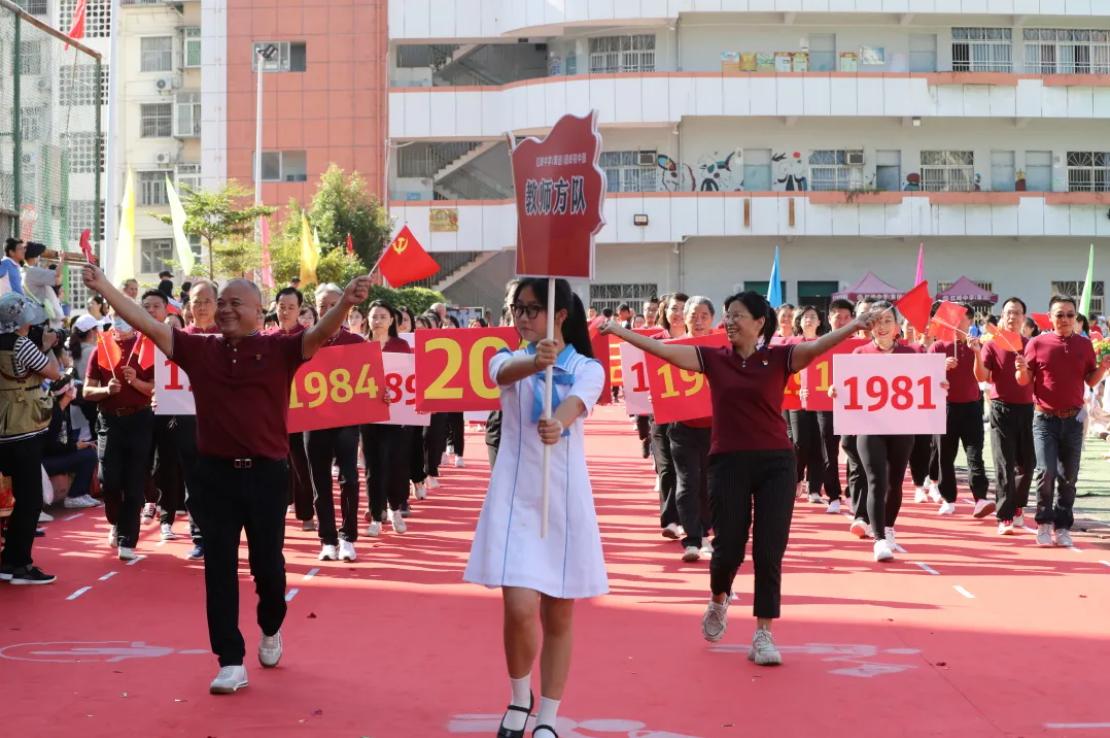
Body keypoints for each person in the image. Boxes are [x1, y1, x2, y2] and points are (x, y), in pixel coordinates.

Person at [82, 262, 372, 694]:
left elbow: (319, 335)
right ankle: (230, 660)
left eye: (236, 302)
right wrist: (104, 285)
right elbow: (145, 321)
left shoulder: (281, 349)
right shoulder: (199, 349)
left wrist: (346, 301)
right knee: (218, 569)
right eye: (222, 303)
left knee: (268, 570)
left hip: (267, 476)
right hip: (213, 475)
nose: (226, 310)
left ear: (260, 312)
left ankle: (271, 627)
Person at [603, 291, 877, 665]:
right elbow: (661, 351)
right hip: (728, 462)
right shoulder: (715, 359)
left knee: (769, 550)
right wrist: (620, 331)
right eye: (728, 316)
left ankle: (764, 633)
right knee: (729, 546)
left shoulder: (780, 358)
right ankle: (719, 598)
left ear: (760, 323)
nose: (730, 322)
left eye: (738, 316)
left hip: (777, 465)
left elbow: (818, 346)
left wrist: (855, 327)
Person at [465, 278, 605, 738]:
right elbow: (500, 375)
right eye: (516, 309)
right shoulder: (507, 358)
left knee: (559, 614)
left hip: (563, 498)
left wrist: (557, 425)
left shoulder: (588, 367)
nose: (522, 317)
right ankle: (519, 694)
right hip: (514, 496)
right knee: (520, 607)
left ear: (560, 315)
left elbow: (575, 404)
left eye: (532, 309)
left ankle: (547, 715)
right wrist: (533, 360)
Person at [1017, 295, 1110, 547]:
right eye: (1060, 314)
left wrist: (1103, 368)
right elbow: (1024, 381)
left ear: (1075, 319)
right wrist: (1021, 369)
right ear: (1050, 317)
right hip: (1044, 419)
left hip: (1074, 420)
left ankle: (1062, 525)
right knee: (1045, 471)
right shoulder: (1037, 343)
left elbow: (1090, 380)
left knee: (1069, 476)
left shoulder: (1084, 345)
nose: (1065, 319)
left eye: (1070, 315)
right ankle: (1044, 522)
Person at [834, 303, 920, 562]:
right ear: (869, 325)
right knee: (876, 480)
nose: (882, 327)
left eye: (887, 321)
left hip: (902, 426)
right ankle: (879, 538)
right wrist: (836, 392)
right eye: (877, 321)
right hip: (869, 427)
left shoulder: (913, 354)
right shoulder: (860, 353)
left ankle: (889, 528)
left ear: (896, 326)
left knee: (895, 481)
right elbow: (847, 388)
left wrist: (940, 384)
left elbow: (925, 389)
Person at [0, 293, 61, 584]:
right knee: (29, 500)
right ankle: (18, 564)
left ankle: (8, 561)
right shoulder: (22, 344)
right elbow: (53, 372)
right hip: (23, 429)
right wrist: (47, 346)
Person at [83, 313, 155, 560]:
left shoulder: (145, 347)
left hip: (140, 419)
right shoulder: (101, 347)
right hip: (110, 421)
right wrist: (106, 389)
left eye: (127, 317)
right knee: (108, 480)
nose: (122, 322)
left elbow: (155, 388)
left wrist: (135, 382)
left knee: (134, 481)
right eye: (118, 317)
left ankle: (127, 541)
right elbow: (87, 390)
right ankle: (115, 521)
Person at [304, 285, 368, 562]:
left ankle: (348, 537)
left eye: (334, 304)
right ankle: (327, 539)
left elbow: (373, 384)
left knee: (349, 478)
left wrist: (383, 394)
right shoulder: (304, 341)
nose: (328, 310)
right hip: (312, 419)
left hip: (346, 420)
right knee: (319, 480)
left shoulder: (356, 343)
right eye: (322, 305)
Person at [929, 303, 991, 517]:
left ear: (970, 321)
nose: (956, 322)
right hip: (945, 407)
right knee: (945, 456)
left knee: (975, 454)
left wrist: (977, 353)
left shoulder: (977, 346)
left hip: (972, 406)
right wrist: (941, 366)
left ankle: (981, 498)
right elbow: (924, 377)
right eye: (953, 318)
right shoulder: (938, 347)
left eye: (962, 318)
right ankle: (948, 498)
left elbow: (984, 376)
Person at [980, 297, 1034, 535]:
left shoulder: (1031, 345)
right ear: (1002, 316)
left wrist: (1025, 367)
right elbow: (983, 375)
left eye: (1017, 313)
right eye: (1008, 313)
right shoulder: (992, 345)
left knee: (1028, 463)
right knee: (1004, 462)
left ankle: (1019, 505)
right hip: (1001, 407)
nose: (1013, 317)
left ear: (1024, 318)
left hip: (1028, 408)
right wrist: (975, 353)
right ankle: (1004, 516)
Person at [670, 296, 716, 562]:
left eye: (704, 316)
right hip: (682, 425)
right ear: (683, 318)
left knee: (708, 482)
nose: (698, 321)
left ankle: (707, 531)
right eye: (693, 315)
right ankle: (692, 538)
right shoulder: (674, 348)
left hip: (715, 426)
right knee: (687, 481)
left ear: (712, 320)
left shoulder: (721, 349)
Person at [361, 299, 412, 536]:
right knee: (373, 466)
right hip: (369, 415)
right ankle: (376, 514)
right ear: (367, 320)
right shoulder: (359, 345)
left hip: (396, 415)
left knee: (396, 464)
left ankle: (395, 509)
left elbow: (408, 377)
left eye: (383, 316)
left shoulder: (401, 346)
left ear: (392, 320)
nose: (378, 321)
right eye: (374, 316)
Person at [273, 287, 314, 532]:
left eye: (291, 307)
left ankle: (307, 513)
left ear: (299, 310)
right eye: (281, 306)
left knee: (301, 464)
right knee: (273, 466)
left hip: (303, 411)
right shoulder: (267, 337)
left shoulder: (308, 337)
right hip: (273, 412)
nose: (286, 311)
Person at [652, 292, 687, 541]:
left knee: (686, 469)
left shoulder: (697, 345)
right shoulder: (653, 343)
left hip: (689, 417)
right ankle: (670, 520)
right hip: (659, 414)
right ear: (665, 312)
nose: (678, 314)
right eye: (674, 309)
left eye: (684, 309)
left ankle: (689, 517)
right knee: (666, 468)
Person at [787, 305, 827, 505]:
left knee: (819, 444)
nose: (809, 320)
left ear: (820, 322)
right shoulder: (791, 344)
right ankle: (796, 479)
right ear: (799, 321)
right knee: (800, 442)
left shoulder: (826, 343)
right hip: (796, 399)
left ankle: (815, 489)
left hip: (820, 399)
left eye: (813, 316)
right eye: (805, 317)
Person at [21, 242, 64, 328]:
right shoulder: (32, 271)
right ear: (36, 256)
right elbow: (57, 279)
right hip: (42, 320)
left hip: (33, 317)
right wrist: (61, 259)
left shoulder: (23, 271)